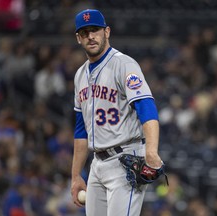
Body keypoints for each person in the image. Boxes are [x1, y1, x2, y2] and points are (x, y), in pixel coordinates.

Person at [70, 9, 163, 216]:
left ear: (107, 32)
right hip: (97, 165)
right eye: (84, 33)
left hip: (125, 160)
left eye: (95, 30)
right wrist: (76, 175)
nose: (90, 37)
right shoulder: (80, 75)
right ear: (78, 38)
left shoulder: (124, 64)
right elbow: (80, 130)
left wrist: (151, 150)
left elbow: (146, 108)